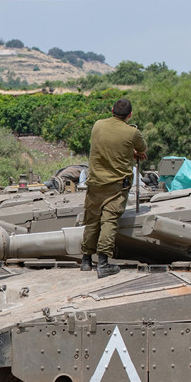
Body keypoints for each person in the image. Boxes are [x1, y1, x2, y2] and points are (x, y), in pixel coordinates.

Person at [80, 98, 147, 278]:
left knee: (92, 221)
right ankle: (103, 263)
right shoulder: (132, 132)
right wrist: (134, 153)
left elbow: (107, 146)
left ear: (112, 110)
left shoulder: (98, 125)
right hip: (116, 187)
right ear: (130, 115)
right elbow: (142, 148)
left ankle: (86, 260)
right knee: (109, 221)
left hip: (95, 184)